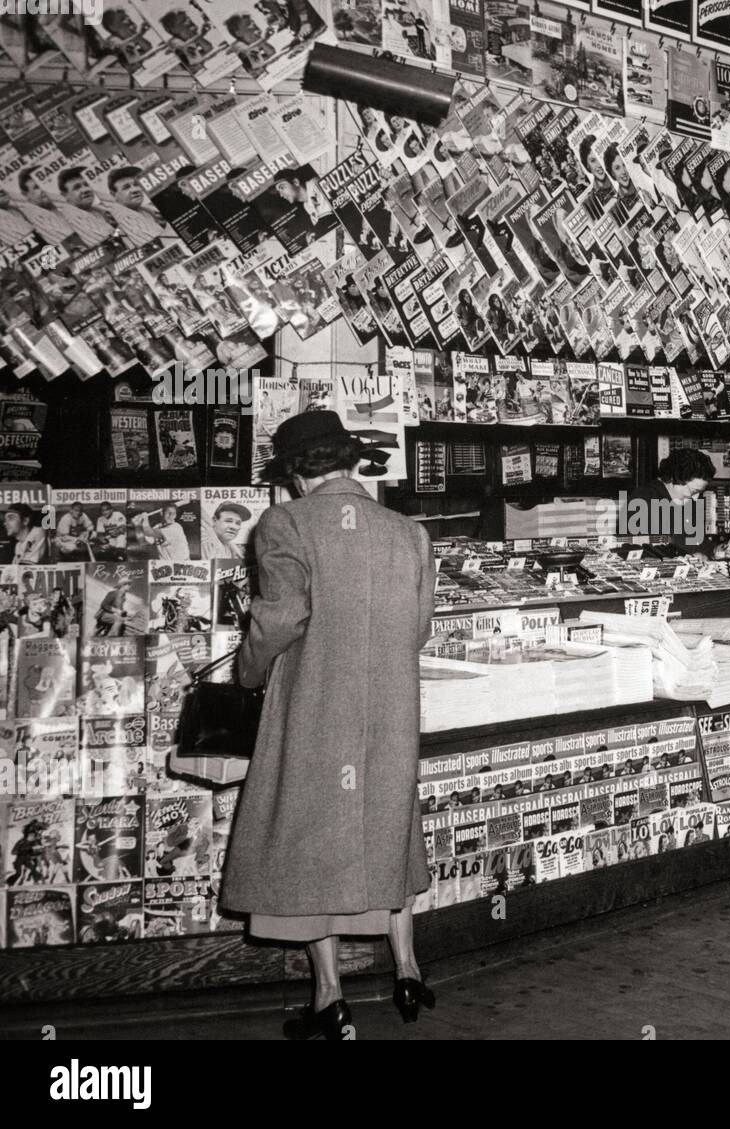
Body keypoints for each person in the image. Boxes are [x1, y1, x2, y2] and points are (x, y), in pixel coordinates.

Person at [219, 410, 438, 1041]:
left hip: (314, 705)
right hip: (391, 710)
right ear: (351, 462)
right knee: (384, 825)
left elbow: (279, 619)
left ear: (293, 473)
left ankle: (329, 996)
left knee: (306, 837)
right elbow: (418, 629)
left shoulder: (284, 523)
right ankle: (407, 970)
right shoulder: (407, 531)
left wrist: (250, 674)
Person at [622, 447, 715, 557]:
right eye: (694, 490)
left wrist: (715, 551)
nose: (696, 496)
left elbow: (697, 543)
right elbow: (638, 550)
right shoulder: (643, 498)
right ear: (674, 479)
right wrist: (688, 558)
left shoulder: (686, 501)